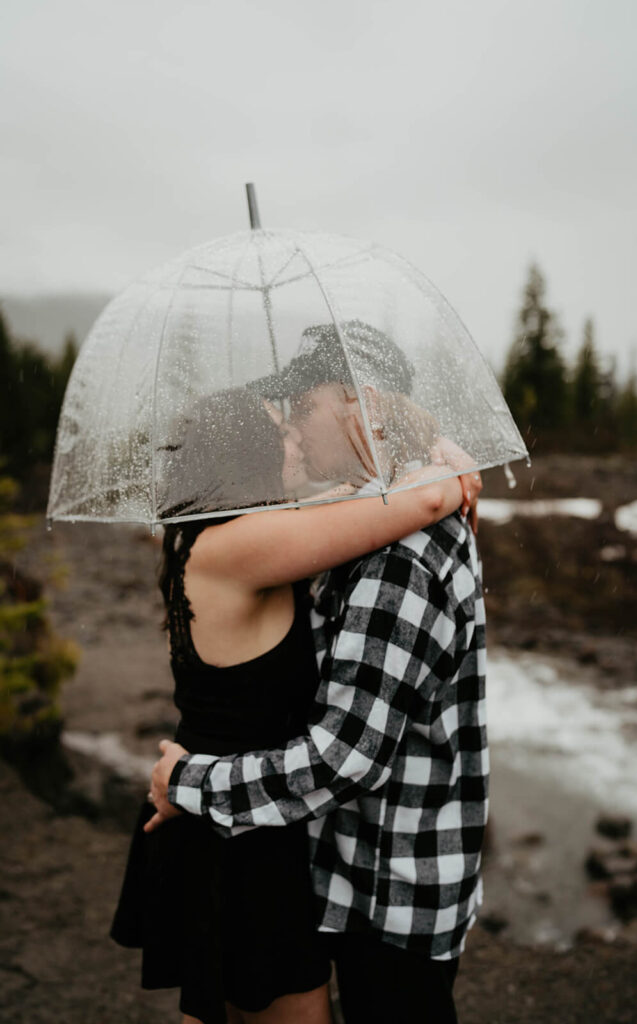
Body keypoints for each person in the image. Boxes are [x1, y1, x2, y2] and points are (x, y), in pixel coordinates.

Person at [147, 323, 487, 1024]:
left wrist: (186, 782)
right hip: (346, 869)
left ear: (356, 404)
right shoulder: (363, 520)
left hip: (393, 888)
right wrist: (442, 467)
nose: (293, 434)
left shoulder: (399, 556)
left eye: (301, 410)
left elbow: (343, 758)